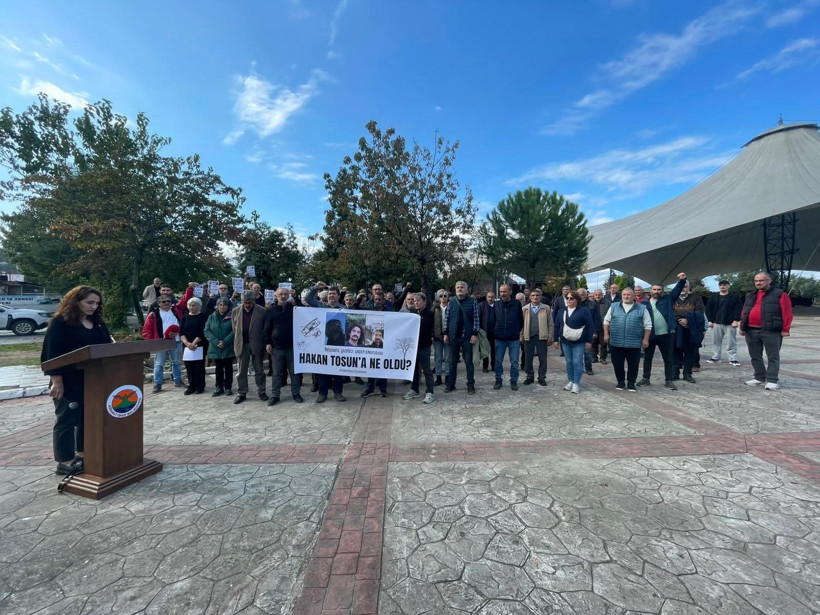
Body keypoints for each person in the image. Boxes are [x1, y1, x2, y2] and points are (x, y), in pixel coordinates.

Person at [40, 286, 112, 475]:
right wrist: (57, 381)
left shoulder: (97, 323)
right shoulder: (60, 323)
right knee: (66, 420)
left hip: (93, 380)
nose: (93, 307)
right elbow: (51, 354)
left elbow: (107, 348)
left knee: (86, 419)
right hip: (67, 381)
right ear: (76, 301)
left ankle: (83, 453)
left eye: (96, 303)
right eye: (89, 302)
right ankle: (65, 461)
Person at [739, 271, 793, 391]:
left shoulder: (780, 294)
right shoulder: (750, 295)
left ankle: (773, 380)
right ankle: (759, 377)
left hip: (771, 331)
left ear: (769, 281)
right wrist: (742, 326)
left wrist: (786, 329)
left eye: (761, 280)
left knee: (773, 356)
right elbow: (745, 311)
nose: (758, 283)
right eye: (756, 281)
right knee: (755, 356)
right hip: (751, 330)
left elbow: (787, 312)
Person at [638, 273, 687, 390]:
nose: (656, 291)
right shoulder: (643, 304)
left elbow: (677, 290)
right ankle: (646, 378)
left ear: (663, 291)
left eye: (659, 289)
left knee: (668, 358)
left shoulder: (668, 299)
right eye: (654, 289)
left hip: (666, 334)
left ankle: (669, 380)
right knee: (648, 358)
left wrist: (682, 280)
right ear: (650, 291)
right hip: (650, 335)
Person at [603, 288, 652, 391]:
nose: (626, 296)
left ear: (634, 296)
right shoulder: (614, 306)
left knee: (633, 365)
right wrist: (606, 334)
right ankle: (620, 382)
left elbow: (648, 325)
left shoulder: (642, 308)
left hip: (634, 343)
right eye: (624, 294)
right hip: (616, 342)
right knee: (617, 364)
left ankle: (631, 383)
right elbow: (606, 321)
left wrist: (646, 339)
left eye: (628, 295)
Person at [142, 290, 192, 392]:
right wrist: (151, 342)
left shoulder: (176, 310)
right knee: (159, 364)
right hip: (161, 342)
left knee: (177, 362)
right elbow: (147, 330)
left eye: (168, 301)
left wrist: (189, 289)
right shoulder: (153, 314)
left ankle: (178, 381)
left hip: (176, 341)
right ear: (159, 303)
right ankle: (158, 384)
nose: (166, 303)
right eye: (163, 302)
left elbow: (184, 300)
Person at [307, 282, 346, 402]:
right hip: (323, 346)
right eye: (329, 294)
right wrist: (316, 287)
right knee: (323, 369)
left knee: (338, 370)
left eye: (334, 294)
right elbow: (307, 299)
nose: (331, 296)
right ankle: (322, 393)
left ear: (339, 296)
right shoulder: (320, 305)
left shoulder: (344, 309)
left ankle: (338, 392)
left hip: (339, 347)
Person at [263, 287, 303, 405]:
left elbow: (303, 309)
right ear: (276, 296)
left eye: (286, 294)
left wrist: (296, 297)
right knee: (277, 373)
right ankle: (275, 395)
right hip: (276, 347)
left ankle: (296, 393)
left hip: (292, 346)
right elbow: (266, 328)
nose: (283, 296)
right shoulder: (270, 310)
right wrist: (267, 343)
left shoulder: (293, 309)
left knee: (294, 372)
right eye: (281, 294)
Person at [554, 291, 595, 394]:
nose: (568, 300)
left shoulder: (584, 311)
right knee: (569, 362)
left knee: (577, 362)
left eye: (571, 298)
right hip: (565, 341)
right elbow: (557, 326)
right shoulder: (562, 311)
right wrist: (555, 339)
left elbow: (590, 326)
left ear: (577, 300)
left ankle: (576, 383)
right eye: (567, 298)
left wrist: (589, 341)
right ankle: (571, 380)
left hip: (579, 341)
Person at [443, 281, 480, 394]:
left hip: (467, 337)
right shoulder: (451, 303)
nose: (460, 289)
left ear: (466, 289)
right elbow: (447, 319)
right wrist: (445, 333)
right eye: (458, 287)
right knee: (452, 362)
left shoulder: (472, 302)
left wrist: (474, 334)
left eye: (462, 287)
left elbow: (476, 320)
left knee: (468, 362)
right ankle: (451, 384)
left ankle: (470, 385)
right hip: (453, 337)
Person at [232, 290, 268, 404]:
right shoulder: (235, 311)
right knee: (241, 371)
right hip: (242, 344)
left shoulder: (262, 311)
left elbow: (265, 328)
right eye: (245, 302)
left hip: (257, 344)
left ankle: (261, 391)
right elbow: (234, 328)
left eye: (250, 302)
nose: (248, 305)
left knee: (259, 370)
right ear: (242, 301)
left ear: (254, 301)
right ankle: (241, 392)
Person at [404, 293, 436, 404]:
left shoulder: (429, 314)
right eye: (414, 301)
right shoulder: (412, 313)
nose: (416, 303)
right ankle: (414, 390)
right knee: (414, 370)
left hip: (424, 346)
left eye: (418, 301)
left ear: (424, 302)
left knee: (427, 370)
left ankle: (430, 392)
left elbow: (426, 329)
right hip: (413, 347)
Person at [492, 284, 524, 390]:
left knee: (514, 362)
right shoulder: (496, 304)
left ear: (510, 292)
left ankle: (513, 381)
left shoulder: (517, 304)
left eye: (504, 291)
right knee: (498, 361)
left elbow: (520, 320)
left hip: (513, 338)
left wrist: (516, 331)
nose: (502, 294)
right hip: (499, 338)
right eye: (501, 292)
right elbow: (493, 320)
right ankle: (498, 380)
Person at [705, 280, 744, 366]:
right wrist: (710, 320)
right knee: (716, 341)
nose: (723, 286)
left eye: (724, 285)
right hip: (716, 322)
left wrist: (736, 320)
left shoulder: (735, 297)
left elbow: (738, 309)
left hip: (730, 323)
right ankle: (716, 357)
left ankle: (733, 359)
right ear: (719, 286)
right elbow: (708, 309)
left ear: (728, 286)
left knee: (731, 342)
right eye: (721, 285)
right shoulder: (713, 297)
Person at [672, 282, 705, 383]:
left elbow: (699, 312)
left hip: (691, 328)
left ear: (689, 287)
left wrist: (688, 320)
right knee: (675, 350)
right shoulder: (673, 298)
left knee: (690, 351)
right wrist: (679, 319)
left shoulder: (696, 298)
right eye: (681, 287)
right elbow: (669, 311)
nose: (683, 288)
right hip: (676, 328)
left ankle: (687, 374)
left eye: (685, 286)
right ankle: (674, 373)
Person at [521, 288, 553, 386]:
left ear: (540, 297)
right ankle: (530, 376)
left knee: (543, 359)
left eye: (537, 295)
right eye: (533, 295)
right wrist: (521, 336)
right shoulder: (524, 309)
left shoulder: (546, 308)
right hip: (528, 336)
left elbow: (550, 324)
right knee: (528, 358)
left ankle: (542, 377)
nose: (535, 297)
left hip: (542, 337)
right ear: (530, 297)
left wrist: (550, 337)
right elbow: (521, 324)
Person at [205, 297, 235, 397]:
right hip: (216, 347)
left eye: (224, 305)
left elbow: (235, 330)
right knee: (218, 368)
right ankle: (219, 387)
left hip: (228, 346)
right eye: (220, 305)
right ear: (217, 306)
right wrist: (216, 341)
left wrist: (225, 342)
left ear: (228, 306)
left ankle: (228, 387)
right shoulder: (211, 317)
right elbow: (207, 331)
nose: (222, 307)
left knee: (228, 368)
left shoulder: (232, 316)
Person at [180, 297, 208, 395]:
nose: (191, 307)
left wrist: (194, 343)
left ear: (199, 306)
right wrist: (187, 343)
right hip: (187, 346)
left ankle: (200, 386)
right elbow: (181, 332)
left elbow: (203, 331)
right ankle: (191, 386)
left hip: (199, 345)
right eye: (190, 305)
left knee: (198, 366)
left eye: (194, 305)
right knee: (189, 366)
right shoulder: (184, 317)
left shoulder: (204, 317)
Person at [577, 288, 602, 376]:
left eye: (583, 293)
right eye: (580, 293)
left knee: (587, 352)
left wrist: (595, 331)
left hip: (588, 331)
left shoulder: (593, 304)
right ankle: (579, 368)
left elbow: (597, 319)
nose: (582, 295)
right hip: (576, 331)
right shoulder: (574, 304)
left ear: (586, 294)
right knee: (578, 352)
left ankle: (588, 368)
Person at [432, 290, 449, 386]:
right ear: (438, 298)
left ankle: (447, 376)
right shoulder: (435, 308)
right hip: (437, 336)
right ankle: (438, 377)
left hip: (448, 336)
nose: (443, 297)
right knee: (438, 357)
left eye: (445, 296)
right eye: (441, 296)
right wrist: (432, 334)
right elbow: (431, 322)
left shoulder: (450, 307)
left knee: (447, 358)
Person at [479, 290, 497, 374]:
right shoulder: (481, 305)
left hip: (495, 332)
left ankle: (494, 366)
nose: (490, 299)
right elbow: (479, 318)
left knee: (494, 350)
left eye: (492, 297)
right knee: (485, 350)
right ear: (486, 297)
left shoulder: (498, 306)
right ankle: (485, 366)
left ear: (495, 297)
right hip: (484, 332)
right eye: (489, 297)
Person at [592, 289, 609, 364]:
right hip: (593, 326)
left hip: (604, 326)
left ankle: (603, 358)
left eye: (599, 294)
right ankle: (594, 357)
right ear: (594, 295)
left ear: (602, 295)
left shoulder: (607, 303)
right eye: (596, 295)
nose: (597, 296)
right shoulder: (591, 303)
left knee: (604, 343)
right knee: (593, 342)